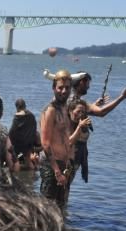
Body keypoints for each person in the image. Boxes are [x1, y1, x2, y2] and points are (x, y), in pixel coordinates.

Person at [66, 71, 126, 185]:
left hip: (74, 145)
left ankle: (59, 202)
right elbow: (102, 112)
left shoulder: (73, 97)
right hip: (73, 147)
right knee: (66, 182)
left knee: (66, 181)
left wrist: (94, 105)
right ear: (81, 82)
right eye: (88, 83)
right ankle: (60, 202)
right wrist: (122, 97)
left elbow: (78, 114)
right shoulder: (74, 99)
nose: (89, 86)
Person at [39, 69, 74, 218]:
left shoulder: (65, 108)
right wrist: (57, 172)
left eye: (67, 88)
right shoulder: (50, 110)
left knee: (60, 209)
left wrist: (68, 165)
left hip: (63, 166)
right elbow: (45, 144)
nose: (63, 91)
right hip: (51, 166)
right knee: (47, 210)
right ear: (54, 88)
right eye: (60, 87)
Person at [8, 97, 39, 171]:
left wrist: (9, 141)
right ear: (25, 105)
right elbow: (34, 127)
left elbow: (12, 132)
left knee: (21, 161)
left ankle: (23, 173)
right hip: (29, 144)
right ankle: (32, 172)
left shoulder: (17, 117)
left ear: (17, 107)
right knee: (28, 160)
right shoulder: (31, 115)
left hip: (19, 146)